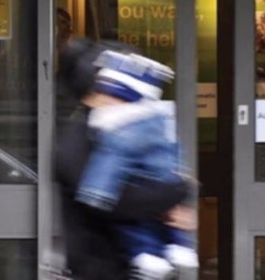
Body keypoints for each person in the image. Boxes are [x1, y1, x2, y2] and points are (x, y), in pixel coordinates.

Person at [54, 38, 195, 279]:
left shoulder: (120, 129)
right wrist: (178, 190)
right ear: (93, 92)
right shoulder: (78, 141)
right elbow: (118, 202)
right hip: (101, 271)